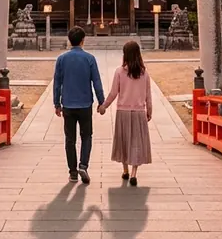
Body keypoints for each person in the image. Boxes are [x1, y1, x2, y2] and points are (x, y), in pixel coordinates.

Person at [53, 26, 104, 183]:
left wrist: (57, 103)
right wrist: (102, 102)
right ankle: (83, 165)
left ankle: (73, 172)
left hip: (68, 103)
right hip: (85, 103)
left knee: (70, 139)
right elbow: (96, 82)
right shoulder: (89, 58)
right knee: (86, 136)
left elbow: (57, 83)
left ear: (70, 40)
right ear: (83, 40)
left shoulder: (62, 59)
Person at [98, 40, 152, 186]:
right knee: (136, 142)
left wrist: (104, 106)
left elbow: (113, 93)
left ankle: (125, 171)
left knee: (123, 141)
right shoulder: (144, 73)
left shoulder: (120, 72)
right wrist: (149, 111)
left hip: (123, 111)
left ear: (125, 55)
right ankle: (134, 173)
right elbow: (148, 95)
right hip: (139, 111)